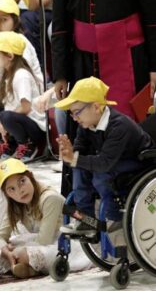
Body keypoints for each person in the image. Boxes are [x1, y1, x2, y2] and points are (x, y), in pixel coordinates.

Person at [52, 0, 156, 121]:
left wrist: (155, 66)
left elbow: (152, 17)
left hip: (131, 58)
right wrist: (60, 74)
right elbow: (60, 26)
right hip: (83, 63)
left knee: (132, 125)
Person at [55, 77, 154, 235]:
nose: (75, 118)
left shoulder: (119, 125)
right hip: (113, 161)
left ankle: (115, 218)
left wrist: (74, 158)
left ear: (96, 107)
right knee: (79, 168)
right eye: (72, 114)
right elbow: (81, 150)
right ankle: (86, 220)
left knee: (101, 175)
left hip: (140, 162)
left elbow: (104, 163)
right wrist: (70, 153)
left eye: (77, 112)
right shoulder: (86, 124)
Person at [0, 158, 89, 278]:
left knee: (20, 253)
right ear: (6, 193)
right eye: (11, 189)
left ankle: (28, 266)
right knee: (0, 250)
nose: (20, 191)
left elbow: (44, 240)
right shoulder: (17, 204)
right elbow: (0, 236)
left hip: (65, 246)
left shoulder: (49, 198)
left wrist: (15, 252)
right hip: (40, 243)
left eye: (22, 181)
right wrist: (6, 252)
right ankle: (30, 269)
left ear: (31, 176)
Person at [0, 32, 45, 162]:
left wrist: (2, 120)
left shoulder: (21, 75)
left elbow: (26, 107)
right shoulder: (7, 76)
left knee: (5, 116)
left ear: (10, 56)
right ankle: (11, 144)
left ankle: (28, 145)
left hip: (33, 128)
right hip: (15, 121)